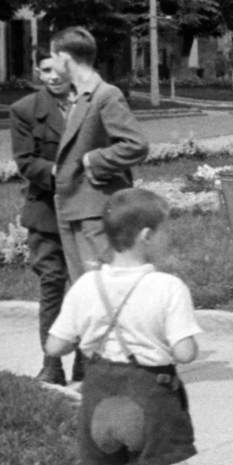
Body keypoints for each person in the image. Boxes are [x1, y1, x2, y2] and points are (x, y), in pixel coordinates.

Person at [45, 188, 202, 465]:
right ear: (146, 235)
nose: (168, 239)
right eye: (165, 231)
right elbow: (186, 352)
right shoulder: (166, 286)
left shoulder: (86, 284)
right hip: (147, 398)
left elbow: (55, 344)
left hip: (99, 400)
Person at [51, 27, 150, 291]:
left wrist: (92, 161)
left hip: (95, 210)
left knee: (103, 291)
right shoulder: (78, 97)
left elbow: (136, 145)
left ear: (63, 58)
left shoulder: (105, 94)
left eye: (53, 57)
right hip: (73, 207)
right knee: (83, 292)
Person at [10, 55, 74, 384]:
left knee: (86, 285)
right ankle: (52, 364)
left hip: (84, 210)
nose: (53, 76)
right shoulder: (25, 109)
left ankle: (89, 361)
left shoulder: (89, 103)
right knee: (52, 284)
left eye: (59, 69)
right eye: (45, 70)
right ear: (38, 72)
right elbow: (26, 162)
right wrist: (62, 173)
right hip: (46, 213)